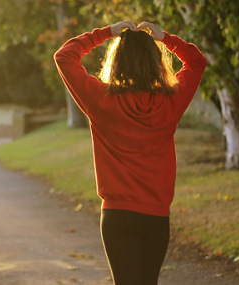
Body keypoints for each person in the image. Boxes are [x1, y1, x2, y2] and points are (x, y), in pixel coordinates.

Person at [53, 20, 207, 284]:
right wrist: (165, 38)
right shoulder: (171, 100)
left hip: (117, 215)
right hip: (156, 216)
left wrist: (106, 33)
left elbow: (64, 56)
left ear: (117, 61)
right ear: (156, 62)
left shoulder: (100, 100)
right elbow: (197, 62)